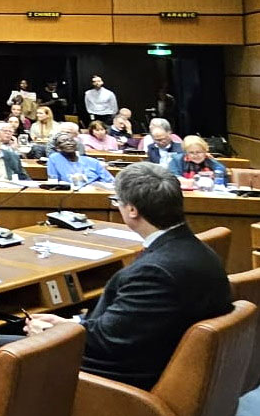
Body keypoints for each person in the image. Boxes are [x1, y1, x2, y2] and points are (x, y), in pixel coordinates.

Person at [27, 164, 231, 389]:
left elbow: (108, 342)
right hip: (158, 361)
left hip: (120, 384)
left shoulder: (155, 272)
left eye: (117, 201)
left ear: (132, 210)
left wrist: (54, 333)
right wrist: (72, 323)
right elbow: (130, 322)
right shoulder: (199, 251)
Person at [47, 131, 114, 186]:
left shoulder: (92, 162)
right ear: (57, 148)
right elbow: (53, 181)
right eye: (63, 141)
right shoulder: (55, 158)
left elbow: (110, 181)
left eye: (71, 140)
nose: (68, 143)